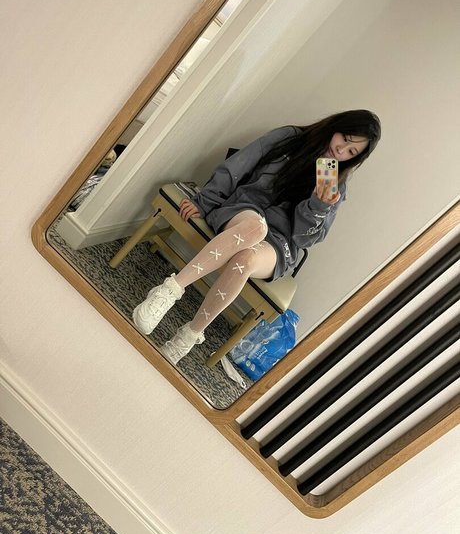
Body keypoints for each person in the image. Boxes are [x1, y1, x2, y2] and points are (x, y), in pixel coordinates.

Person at [132, 109, 381, 364]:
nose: (341, 151)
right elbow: (238, 166)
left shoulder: (335, 186)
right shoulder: (289, 138)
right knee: (256, 227)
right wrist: (205, 201)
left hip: (279, 244)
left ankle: (187, 337)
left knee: (247, 260)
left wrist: (317, 206)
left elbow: (303, 239)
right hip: (243, 213)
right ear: (336, 126)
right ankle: (169, 290)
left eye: (351, 151)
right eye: (345, 139)